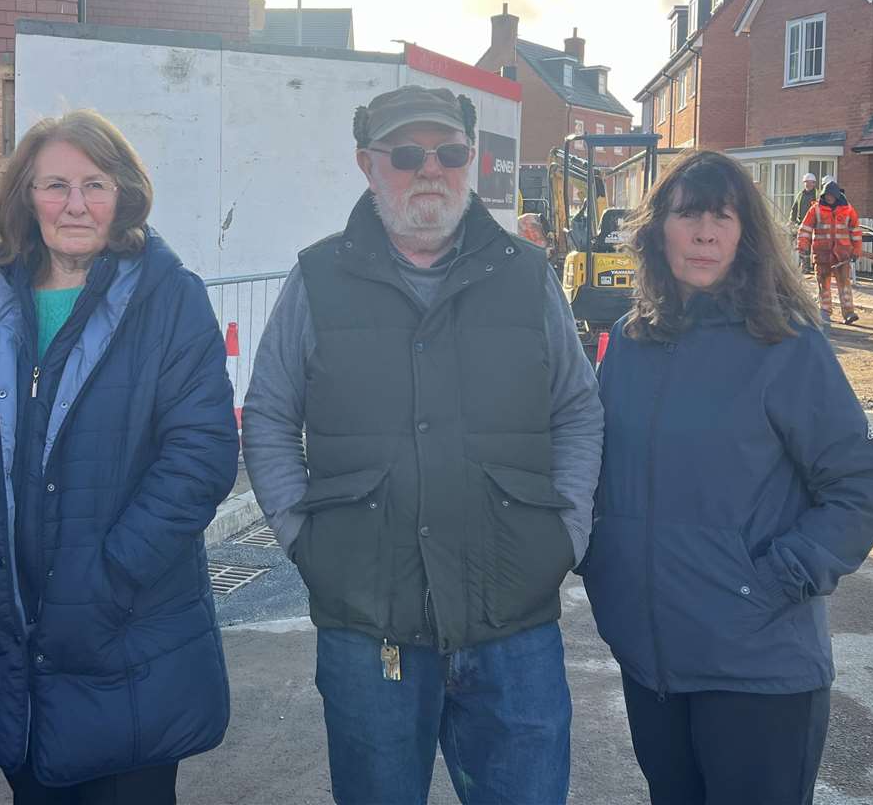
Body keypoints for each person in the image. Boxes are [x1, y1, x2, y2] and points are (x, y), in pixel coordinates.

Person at [242, 84, 605, 805]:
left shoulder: (527, 277)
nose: (429, 169)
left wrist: (564, 533)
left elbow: (577, 408)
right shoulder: (315, 280)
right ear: (367, 165)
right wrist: (300, 537)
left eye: (448, 152)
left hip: (511, 613)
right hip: (366, 620)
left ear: (470, 161)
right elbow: (268, 414)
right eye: (406, 155)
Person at [0, 111, 238, 804]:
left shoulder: (169, 299)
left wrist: (110, 578)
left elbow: (198, 453)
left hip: (130, 635)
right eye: (54, 185)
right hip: (8, 639)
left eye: (95, 183)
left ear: (124, 193)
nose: (76, 203)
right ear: (25, 197)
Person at [583, 150, 873, 805]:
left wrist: (766, 584)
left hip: (756, 671)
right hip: (651, 664)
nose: (703, 232)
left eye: (721, 217)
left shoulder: (785, 345)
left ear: (744, 233)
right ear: (656, 230)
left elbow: (858, 488)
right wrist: (599, 559)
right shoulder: (630, 343)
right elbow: (594, 471)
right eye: (687, 214)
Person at [797, 179, 863, 324]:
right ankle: (825, 311)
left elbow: (855, 230)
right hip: (822, 254)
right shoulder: (816, 209)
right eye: (826, 196)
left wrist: (857, 249)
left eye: (831, 196)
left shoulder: (848, 210)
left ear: (836, 196)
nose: (829, 198)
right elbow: (805, 229)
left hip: (842, 254)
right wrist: (803, 246)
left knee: (844, 284)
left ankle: (849, 313)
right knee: (823, 283)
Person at [791, 172, 819, 273]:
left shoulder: (817, 195)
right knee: (803, 245)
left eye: (810, 182)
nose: (808, 184)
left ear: (814, 183)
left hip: (814, 225)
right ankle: (805, 267)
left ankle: (815, 267)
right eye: (806, 182)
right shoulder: (800, 195)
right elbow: (794, 209)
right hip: (802, 224)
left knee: (816, 246)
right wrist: (791, 221)